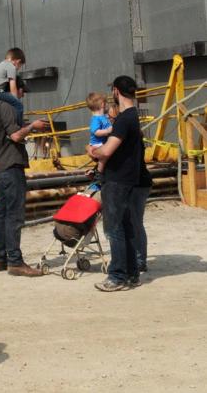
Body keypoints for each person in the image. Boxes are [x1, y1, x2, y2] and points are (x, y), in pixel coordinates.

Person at [88, 75, 147, 292]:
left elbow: (106, 150)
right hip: (129, 179)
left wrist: (92, 151)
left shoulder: (124, 119)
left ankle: (117, 276)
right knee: (127, 227)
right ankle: (131, 274)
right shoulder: (133, 116)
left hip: (117, 180)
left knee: (113, 229)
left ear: (116, 91)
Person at [0, 85, 48, 276]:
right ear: (11, 88)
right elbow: (15, 135)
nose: (23, 94)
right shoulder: (7, 106)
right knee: (14, 214)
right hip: (11, 164)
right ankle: (15, 261)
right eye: (21, 90)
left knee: (2, 212)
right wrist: (32, 127)